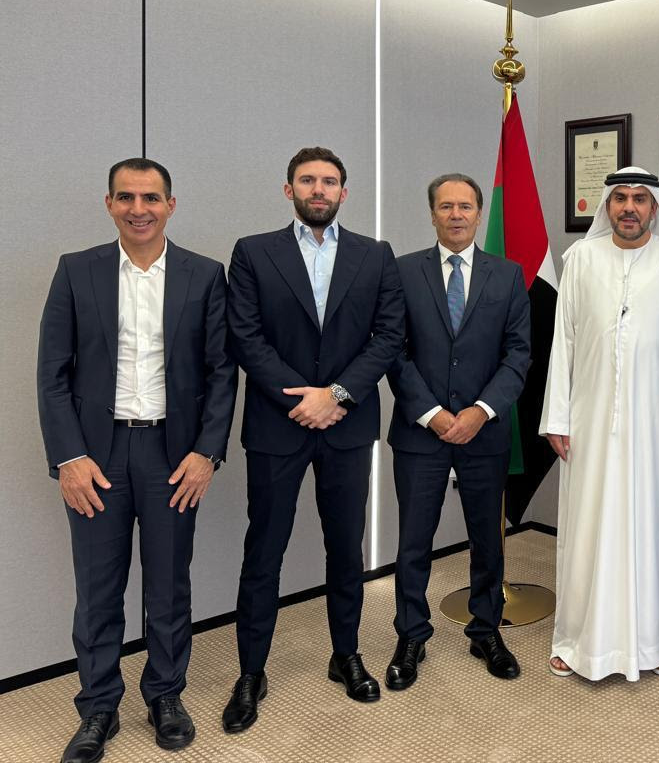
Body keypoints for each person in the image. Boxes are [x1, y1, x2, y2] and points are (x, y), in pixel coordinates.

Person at [38, 159, 237, 763]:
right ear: (109, 203)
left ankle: (165, 695)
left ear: (171, 205)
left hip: (173, 456)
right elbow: (52, 374)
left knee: (169, 584)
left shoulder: (205, 274)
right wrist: (69, 458)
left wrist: (207, 453)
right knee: (98, 590)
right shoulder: (77, 270)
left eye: (151, 197)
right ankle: (99, 706)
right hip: (95, 457)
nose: (138, 208)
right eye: (125, 197)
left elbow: (221, 372)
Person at [221, 147, 404, 733]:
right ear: (289, 190)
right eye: (308, 180)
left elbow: (388, 335)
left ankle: (345, 654)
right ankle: (251, 672)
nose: (318, 189)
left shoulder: (375, 255)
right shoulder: (253, 253)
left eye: (329, 181)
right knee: (264, 551)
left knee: (346, 547)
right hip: (278, 425)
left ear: (344, 192)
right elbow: (245, 336)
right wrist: (303, 400)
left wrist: (338, 396)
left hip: (347, 426)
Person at [539, 166, 659, 681]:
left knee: (652, 526)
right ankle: (576, 641)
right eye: (620, 198)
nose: (629, 207)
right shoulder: (581, 258)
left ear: (655, 207)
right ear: (607, 206)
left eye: (640, 198)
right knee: (586, 526)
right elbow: (563, 344)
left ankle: (653, 641)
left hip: (658, 421)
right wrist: (557, 416)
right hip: (588, 421)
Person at [385, 173, 531, 687]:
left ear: (478, 213)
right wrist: (432, 413)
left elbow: (518, 354)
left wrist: (480, 411)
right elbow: (393, 350)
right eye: (446, 206)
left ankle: (486, 630)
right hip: (420, 433)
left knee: (487, 539)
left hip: (483, 432)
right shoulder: (402, 271)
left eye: (465, 206)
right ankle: (411, 635)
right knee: (413, 541)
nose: (456, 215)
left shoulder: (507, 275)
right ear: (432, 214)